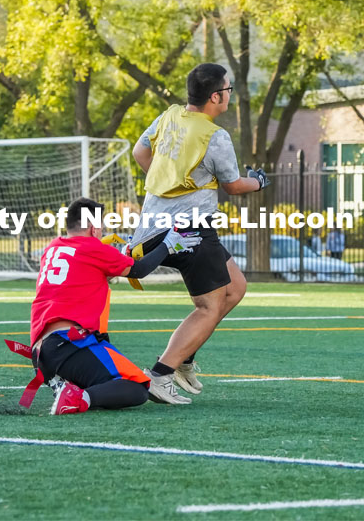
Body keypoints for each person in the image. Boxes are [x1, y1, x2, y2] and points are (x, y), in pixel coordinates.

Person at [130, 63, 269, 404]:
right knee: (209, 306)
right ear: (216, 96)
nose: (229, 95)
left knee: (235, 287)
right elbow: (234, 186)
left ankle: (184, 358)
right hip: (189, 229)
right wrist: (260, 181)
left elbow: (139, 152)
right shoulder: (215, 136)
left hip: (152, 226)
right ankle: (161, 376)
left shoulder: (169, 116)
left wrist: (170, 181)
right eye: (228, 90)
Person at [29, 198, 201, 415]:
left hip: (41, 353)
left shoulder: (53, 248)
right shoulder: (92, 247)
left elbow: (83, 276)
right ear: (93, 227)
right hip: (69, 345)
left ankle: (71, 389)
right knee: (137, 388)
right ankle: (79, 396)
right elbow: (138, 270)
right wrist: (168, 245)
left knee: (112, 380)